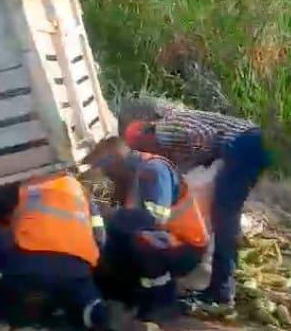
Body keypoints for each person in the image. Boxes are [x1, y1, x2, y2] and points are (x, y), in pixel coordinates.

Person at [122, 104, 269, 307]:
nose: (148, 152)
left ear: (146, 136)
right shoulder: (171, 127)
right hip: (250, 141)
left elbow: (203, 134)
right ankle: (224, 281)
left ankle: (221, 292)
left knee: (224, 216)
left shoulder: (165, 132)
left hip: (243, 145)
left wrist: (197, 163)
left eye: (142, 147)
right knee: (227, 214)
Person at [0, 172, 145, 331]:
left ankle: (7, 319)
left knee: (6, 286)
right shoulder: (80, 191)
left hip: (30, 262)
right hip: (74, 267)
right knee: (87, 301)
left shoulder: (25, 185)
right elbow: (100, 237)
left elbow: (2, 231)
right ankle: (106, 319)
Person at [85, 136, 210, 320]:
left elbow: (155, 219)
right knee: (113, 247)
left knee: (141, 243)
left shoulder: (152, 171)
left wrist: (109, 216)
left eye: (107, 169)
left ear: (118, 160)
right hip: (165, 237)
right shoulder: (132, 174)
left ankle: (163, 301)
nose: (107, 175)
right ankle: (128, 298)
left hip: (185, 243)